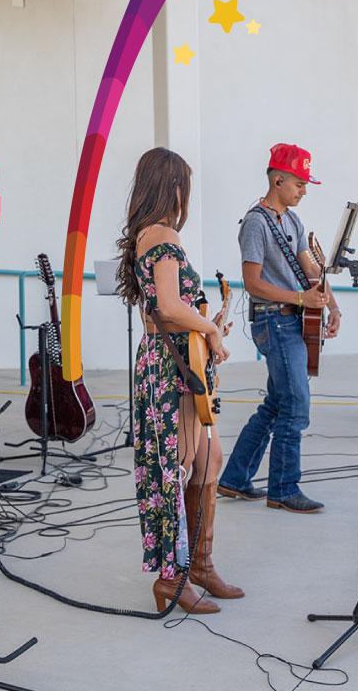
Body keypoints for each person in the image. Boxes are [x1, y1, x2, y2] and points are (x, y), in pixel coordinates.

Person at [116, 147, 240, 616]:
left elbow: (169, 309)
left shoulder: (145, 235)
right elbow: (167, 306)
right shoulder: (163, 234)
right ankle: (173, 576)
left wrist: (207, 327)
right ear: (172, 186)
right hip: (171, 367)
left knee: (207, 460)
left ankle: (200, 564)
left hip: (173, 360)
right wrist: (208, 329)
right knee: (178, 465)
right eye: (184, 185)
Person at [218, 143, 339, 514]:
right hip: (274, 319)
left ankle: (235, 478)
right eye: (300, 183)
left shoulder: (293, 221)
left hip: (291, 318)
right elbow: (252, 282)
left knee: (276, 403)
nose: (304, 190)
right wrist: (303, 300)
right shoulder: (256, 222)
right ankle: (283, 488)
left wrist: (332, 305)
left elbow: (311, 271)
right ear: (279, 179)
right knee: (296, 404)